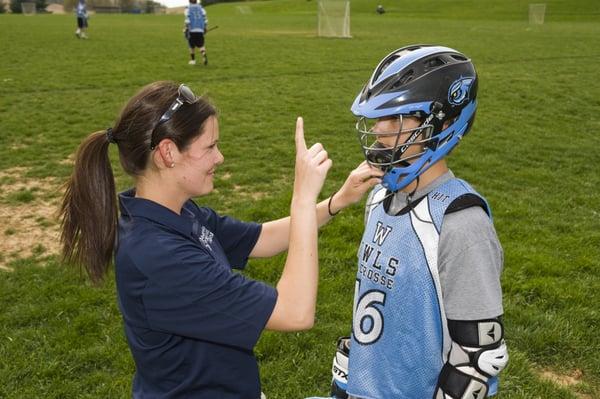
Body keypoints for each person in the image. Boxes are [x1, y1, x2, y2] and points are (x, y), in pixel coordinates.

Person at [59, 81, 383, 398]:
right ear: (168, 153)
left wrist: (335, 202)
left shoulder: (177, 213)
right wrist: (301, 198)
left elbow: (262, 239)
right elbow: (295, 311)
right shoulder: (159, 258)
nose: (220, 158)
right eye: (210, 147)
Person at [312, 45, 509, 399]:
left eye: (395, 119)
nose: (378, 130)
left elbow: (477, 357)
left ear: (442, 124)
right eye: (377, 118)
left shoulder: (461, 224)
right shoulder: (379, 199)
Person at [184, 0, 208, 65]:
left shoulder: (187, 8)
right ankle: (204, 55)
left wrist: (186, 28)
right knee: (201, 45)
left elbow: (187, 19)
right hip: (200, 29)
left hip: (192, 29)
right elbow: (205, 18)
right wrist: (205, 27)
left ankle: (193, 60)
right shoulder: (201, 8)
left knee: (191, 46)